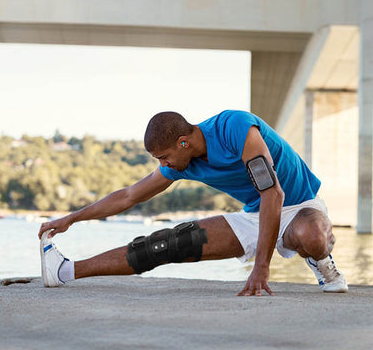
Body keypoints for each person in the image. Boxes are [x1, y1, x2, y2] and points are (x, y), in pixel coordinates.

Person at [38, 110, 348, 296]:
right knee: (168, 244)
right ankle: (65, 271)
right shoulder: (180, 164)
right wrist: (72, 218)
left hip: (299, 206)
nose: (164, 163)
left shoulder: (235, 128)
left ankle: (321, 262)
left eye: (164, 156)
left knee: (311, 236)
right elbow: (129, 195)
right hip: (257, 214)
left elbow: (273, 193)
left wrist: (261, 268)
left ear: (183, 142)